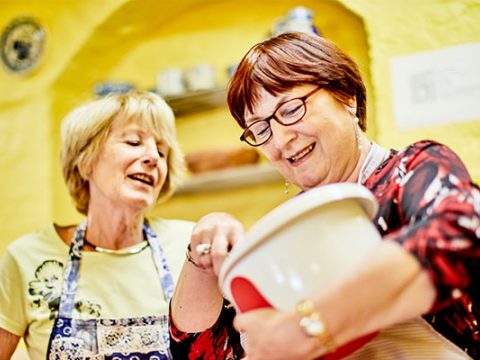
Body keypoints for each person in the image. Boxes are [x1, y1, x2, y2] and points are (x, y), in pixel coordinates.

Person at [170, 32, 480, 359]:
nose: (279, 140)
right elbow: (202, 351)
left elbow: (462, 229)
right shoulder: (285, 233)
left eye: (290, 109)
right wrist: (201, 253)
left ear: (347, 97)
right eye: (260, 129)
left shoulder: (411, 170)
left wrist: (313, 325)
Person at [0, 91, 242, 359]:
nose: (153, 157)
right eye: (133, 142)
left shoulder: (195, 246)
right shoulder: (26, 258)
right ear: (86, 160)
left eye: (162, 152)